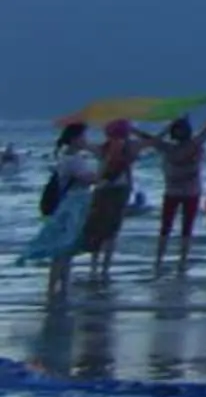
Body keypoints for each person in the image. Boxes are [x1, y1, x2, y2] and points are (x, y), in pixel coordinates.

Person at [139, 97, 206, 274]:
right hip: (174, 192)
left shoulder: (190, 145)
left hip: (189, 192)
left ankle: (180, 260)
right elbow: (147, 138)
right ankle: (160, 260)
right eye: (177, 129)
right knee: (167, 227)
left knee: (185, 228)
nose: (179, 132)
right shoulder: (171, 147)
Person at [18, 125, 99, 297]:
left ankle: (61, 286)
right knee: (63, 247)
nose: (86, 140)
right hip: (72, 206)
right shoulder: (71, 159)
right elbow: (87, 178)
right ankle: (55, 287)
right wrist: (105, 169)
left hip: (73, 205)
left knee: (66, 247)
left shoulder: (69, 157)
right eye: (83, 137)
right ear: (75, 139)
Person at [79, 120, 139, 282]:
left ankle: (96, 266)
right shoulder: (128, 150)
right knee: (109, 231)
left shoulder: (106, 149)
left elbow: (85, 145)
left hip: (105, 191)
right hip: (116, 192)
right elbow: (154, 142)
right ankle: (103, 267)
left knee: (99, 229)